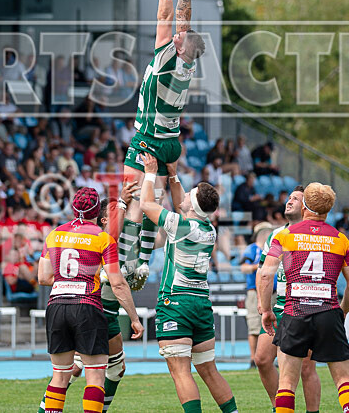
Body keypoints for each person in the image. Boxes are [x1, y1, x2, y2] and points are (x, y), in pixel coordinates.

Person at [120, 0, 207, 290]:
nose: (176, 33)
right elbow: (168, 14)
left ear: (184, 47)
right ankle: (141, 263)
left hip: (149, 138)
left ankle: (128, 265)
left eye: (181, 37)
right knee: (144, 202)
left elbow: (176, 18)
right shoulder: (176, 56)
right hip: (169, 142)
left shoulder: (174, 63)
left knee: (131, 199)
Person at [139, 154, 238, 413]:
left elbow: (146, 203)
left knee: (181, 371)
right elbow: (182, 202)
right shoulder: (209, 229)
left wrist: (150, 173)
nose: (184, 195)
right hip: (201, 303)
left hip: (176, 301)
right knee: (209, 370)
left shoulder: (181, 225)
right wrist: (172, 174)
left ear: (192, 204)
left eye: (189, 193)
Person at [36, 187, 144, 413]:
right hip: (87, 306)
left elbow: (43, 278)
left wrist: (68, 279)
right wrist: (134, 318)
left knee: (60, 377)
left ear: (73, 208)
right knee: (95, 378)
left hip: (56, 305)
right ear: (97, 212)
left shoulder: (54, 234)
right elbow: (117, 283)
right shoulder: (102, 238)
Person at [258, 182, 349, 413]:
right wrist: (342, 310)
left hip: (295, 312)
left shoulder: (285, 236)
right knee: (344, 380)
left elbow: (266, 275)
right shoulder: (341, 239)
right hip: (328, 311)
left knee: (286, 384)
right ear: (328, 210)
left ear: (304, 206)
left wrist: (266, 310)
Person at [67, 180, 140, 412]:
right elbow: (117, 283)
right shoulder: (101, 239)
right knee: (81, 371)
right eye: (117, 214)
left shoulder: (111, 239)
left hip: (97, 312)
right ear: (104, 219)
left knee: (107, 370)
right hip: (97, 313)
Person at [254, 186, 322, 411]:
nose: (289, 201)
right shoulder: (276, 234)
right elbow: (261, 270)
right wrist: (262, 304)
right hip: (280, 305)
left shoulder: (313, 234)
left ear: (306, 207)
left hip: (305, 306)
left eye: (295, 198)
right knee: (262, 360)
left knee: (306, 368)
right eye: (289, 197)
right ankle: (280, 407)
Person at [239, 221, 271, 369]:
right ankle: (253, 359)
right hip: (254, 292)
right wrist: (259, 267)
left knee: (272, 326)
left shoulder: (274, 249)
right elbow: (243, 268)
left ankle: (268, 358)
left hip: (273, 293)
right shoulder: (252, 249)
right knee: (254, 326)